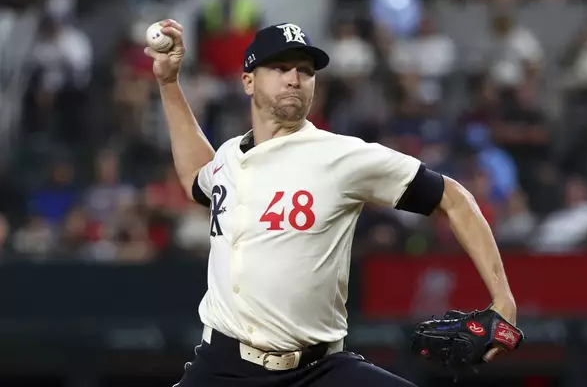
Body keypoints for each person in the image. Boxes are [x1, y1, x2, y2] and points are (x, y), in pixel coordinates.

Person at [144, 20, 518, 387]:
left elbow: (454, 198)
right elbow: (197, 175)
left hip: (317, 370)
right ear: (248, 80)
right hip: (221, 367)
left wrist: (503, 299)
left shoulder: (341, 156)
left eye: (305, 71)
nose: (294, 78)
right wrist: (168, 82)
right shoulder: (228, 157)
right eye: (279, 67)